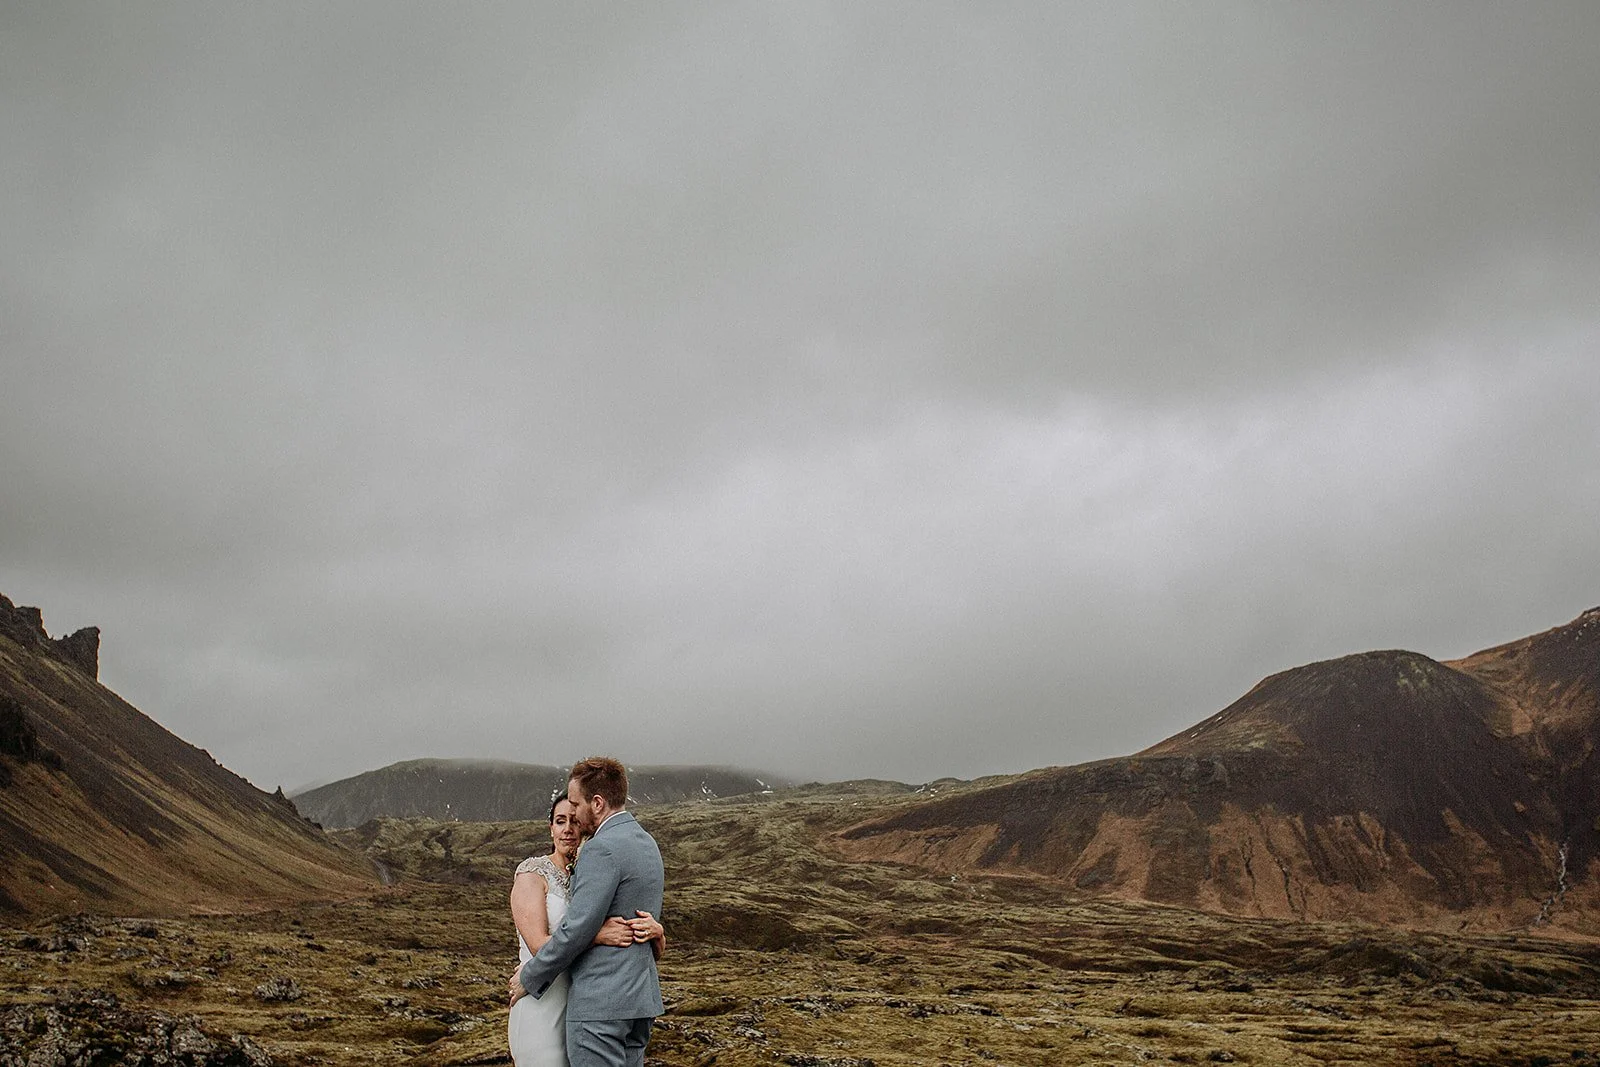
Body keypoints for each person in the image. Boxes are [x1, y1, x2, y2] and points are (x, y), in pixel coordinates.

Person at [510, 757, 665, 1067]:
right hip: (639, 1001)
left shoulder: (600, 848)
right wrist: (656, 932)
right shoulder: (647, 842)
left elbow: (577, 929)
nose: (575, 817)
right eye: (562, 818)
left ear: (597, 803)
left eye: (577, 806)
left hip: (600, 1004)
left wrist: (529, 975)